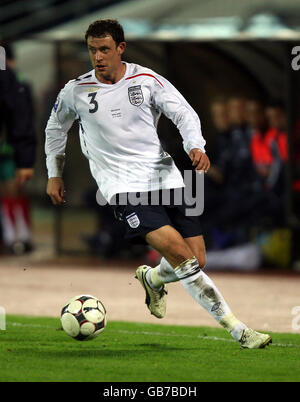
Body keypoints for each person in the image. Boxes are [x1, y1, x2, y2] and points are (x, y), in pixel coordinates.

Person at [45, 19, 271, 349]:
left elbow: (183, 113)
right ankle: (239, 330)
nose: (98, 56)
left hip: (166, 177)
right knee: (182, 255)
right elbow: (55, 129)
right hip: (122, 187)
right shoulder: (75, 90)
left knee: (197, 258)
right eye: (93, 50)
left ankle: (151, 277)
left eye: (105, 49)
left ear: (121, 49)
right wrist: (54, 172)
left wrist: (196, 145)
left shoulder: (146, 79)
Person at [0, 42, 36, 254]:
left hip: (13, 149)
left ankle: (22, 236)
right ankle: (12, 236)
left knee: (15, 190)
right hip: (7, 149)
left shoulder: (18, 83)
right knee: (7, 192)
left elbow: (24, 116)